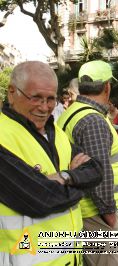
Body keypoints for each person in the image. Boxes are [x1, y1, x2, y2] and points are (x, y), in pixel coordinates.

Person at [0, 61, 102, 265]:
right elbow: (41, 199)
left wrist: (65, 177)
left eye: (50, 99)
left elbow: (96, 170)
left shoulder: (56, 133)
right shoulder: (3, 135)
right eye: (36, 97)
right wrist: (79, 185)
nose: (45, 107)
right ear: (12, 92)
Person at [57, 60, 118, 266]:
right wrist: (110, 218)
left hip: (84, 212)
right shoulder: (93, 121)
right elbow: (100, 174)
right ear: (107, 86)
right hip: (96, 215)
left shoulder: (72, 111)